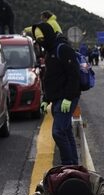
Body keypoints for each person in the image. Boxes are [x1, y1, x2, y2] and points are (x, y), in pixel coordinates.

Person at [33, 22, 81, 166]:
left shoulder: (63, 49)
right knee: (66, 132)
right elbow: (51, 78)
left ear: (48, 34)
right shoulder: (49, 51)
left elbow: (74, 75)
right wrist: (46, 100)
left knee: (58, 132)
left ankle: (68, 164)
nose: (40, 42)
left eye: (42, 38)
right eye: (38, 40)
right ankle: (74, 165)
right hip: (58, 99)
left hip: (67, 98)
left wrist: (68, 97)